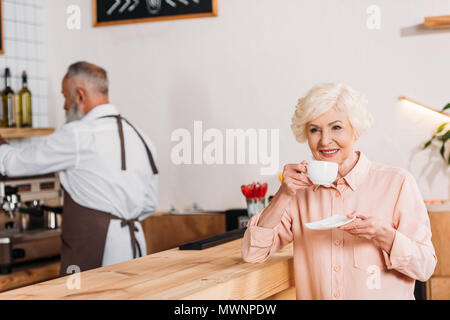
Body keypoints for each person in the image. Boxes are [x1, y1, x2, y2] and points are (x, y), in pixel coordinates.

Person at [241, 83, 437, 300]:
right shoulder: (298, 193)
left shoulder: (397, 183)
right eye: (314, 130)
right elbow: (253, 253)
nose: (324, 141)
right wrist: (283, 194)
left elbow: (425, 267)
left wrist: (384, 234)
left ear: (356, 130)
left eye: (336, 127)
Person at [0, 61, 159, 276]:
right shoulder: (139, 135)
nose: (65, 106)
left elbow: (14, 164)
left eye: (65, 97)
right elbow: (150, 203)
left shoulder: (77, 135)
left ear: (80, 96)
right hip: (136, 246)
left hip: (97, 249)